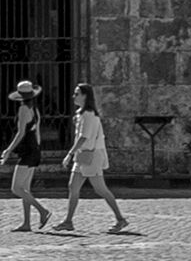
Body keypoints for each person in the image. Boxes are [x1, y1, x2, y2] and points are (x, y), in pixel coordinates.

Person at [56, 83, 134, 234]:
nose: (74, 96)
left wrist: (70, 154)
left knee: (100, 189)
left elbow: (84, 137)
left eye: (77, 93)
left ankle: (120, 219)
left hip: (92, 155)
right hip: (83, 155)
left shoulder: (89, 115)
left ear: (85, 96)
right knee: (73, 187)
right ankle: (68, 221)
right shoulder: (81, 114)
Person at [0, 80, 50, 232]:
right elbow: (37, 132)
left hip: (27, 152)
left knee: (16, 188)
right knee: (25, 188)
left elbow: (21, 133)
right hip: (35, 149)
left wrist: (8, 150)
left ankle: (42, 210)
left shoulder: (23, 109)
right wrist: (37, 148)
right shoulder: (35, 109)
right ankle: (27, 223)